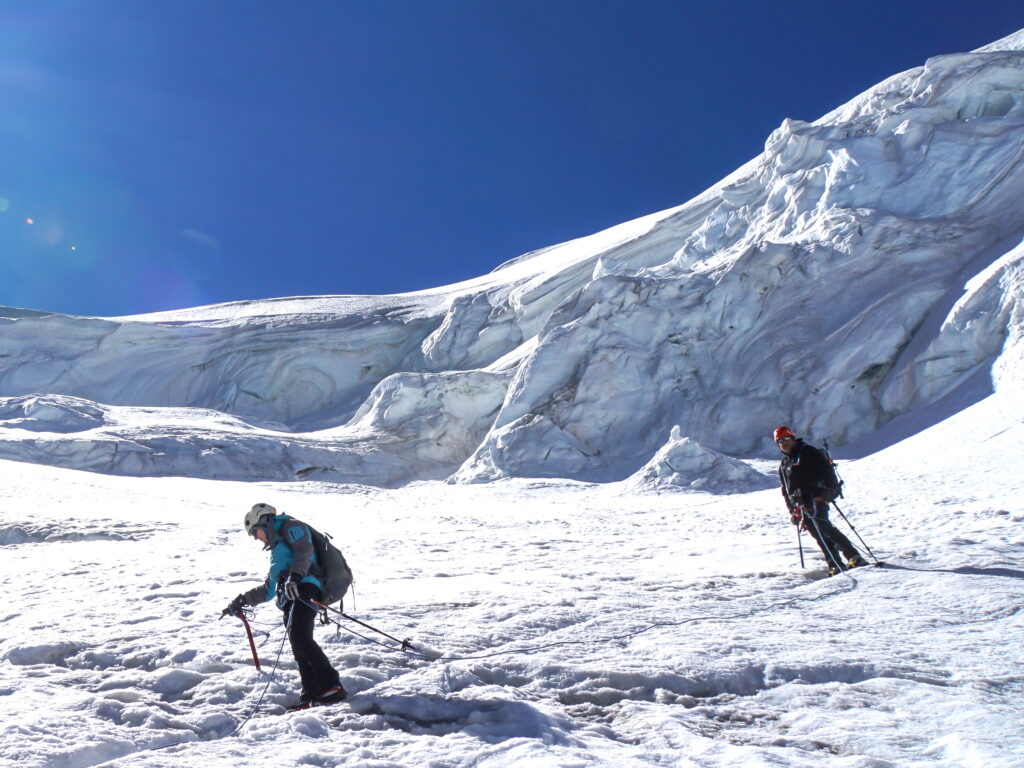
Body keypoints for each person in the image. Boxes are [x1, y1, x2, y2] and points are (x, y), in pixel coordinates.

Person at [223, 503, 346, 706]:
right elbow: (268, 589)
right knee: (299, 645)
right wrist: (242, 600)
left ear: (263, 521)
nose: (255, 537)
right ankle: (310, 693)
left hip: (305, 589)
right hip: (289, 597)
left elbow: (303, 549)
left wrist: (295, 576)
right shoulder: (277, 552)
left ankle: (331, 684)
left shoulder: (290, 525)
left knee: (300, 637)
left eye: (255, 532)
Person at [774, 426, 867, 574]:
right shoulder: (784, 465)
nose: (784, 443)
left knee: (822, 524)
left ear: (793, 438)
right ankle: (835, 564)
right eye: (780, 441)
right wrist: (793, 510)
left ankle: (854, 556)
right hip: (801, 504)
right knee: (817, 533)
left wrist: (828, 490)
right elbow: (786, 490)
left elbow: (826, 470)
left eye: (786, 439)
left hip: (817, 495)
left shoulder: (807, 451)